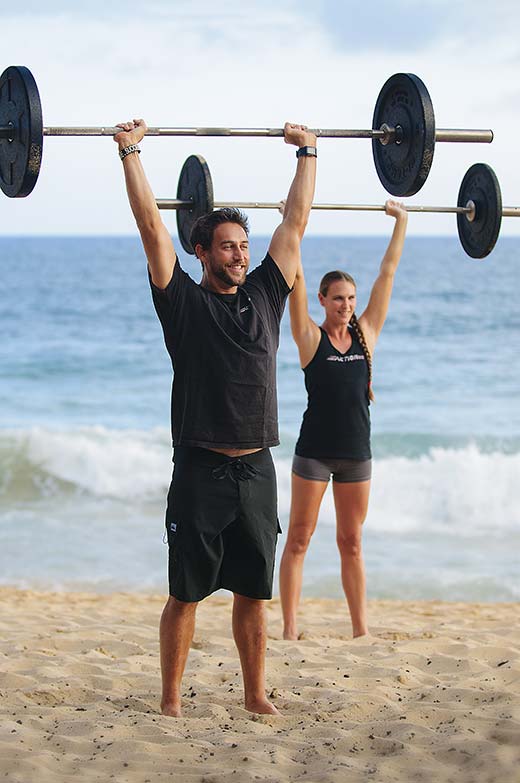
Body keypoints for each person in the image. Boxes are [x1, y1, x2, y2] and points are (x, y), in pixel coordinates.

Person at [114, 119, 317, 716]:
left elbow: (295, 223)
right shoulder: (181, 302)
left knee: (254, 595)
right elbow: (151, 225)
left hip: (256, 470)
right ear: (201, 251)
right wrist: (131, 152)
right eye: (226, 246)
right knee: (185, 594)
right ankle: (172, 702)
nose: (238, 254)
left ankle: (255, 696)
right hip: (200, 469)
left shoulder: (265, 296)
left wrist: (307, 151)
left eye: (242, 246)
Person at [279, 202, 408, 640]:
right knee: (298, 540)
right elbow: (293, 278)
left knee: (351, 544)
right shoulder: (309, 338)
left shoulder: (366, 333)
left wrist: (401, 223)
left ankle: (360, 631)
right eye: (338, 299)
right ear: (322, 300)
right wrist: (292, 225)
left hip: (356, 455)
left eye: (351, 299)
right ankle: (291, 630)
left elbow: (387, 274)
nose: (347, 306)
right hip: (313, 455)